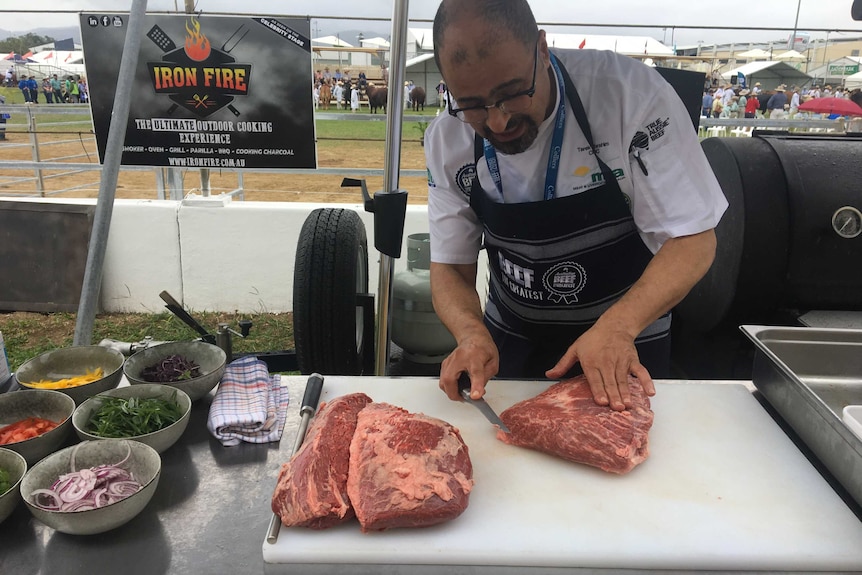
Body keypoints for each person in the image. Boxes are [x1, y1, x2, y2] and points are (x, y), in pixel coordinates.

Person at [424, 0, 727, 410]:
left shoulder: (629, 97)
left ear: (542, 50)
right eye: (472, 104)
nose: (497, 122)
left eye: (512, 94)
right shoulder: (448, 138)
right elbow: (450, 267)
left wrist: (618, 328)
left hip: (626, 338)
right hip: (511, 337)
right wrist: (469, 333)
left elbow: (692, 239)